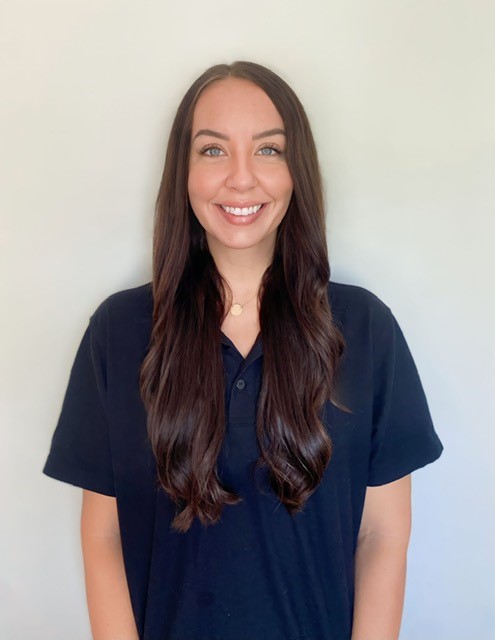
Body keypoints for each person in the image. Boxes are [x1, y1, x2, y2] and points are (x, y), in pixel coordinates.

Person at [43, 61, 444, 640]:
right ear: (183, 172)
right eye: (213, 150)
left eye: (267, 150)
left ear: (296, 171)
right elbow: (103, 534)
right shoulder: (119, 331)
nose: (240, 178)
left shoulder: (364, 328)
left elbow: (381, 534)